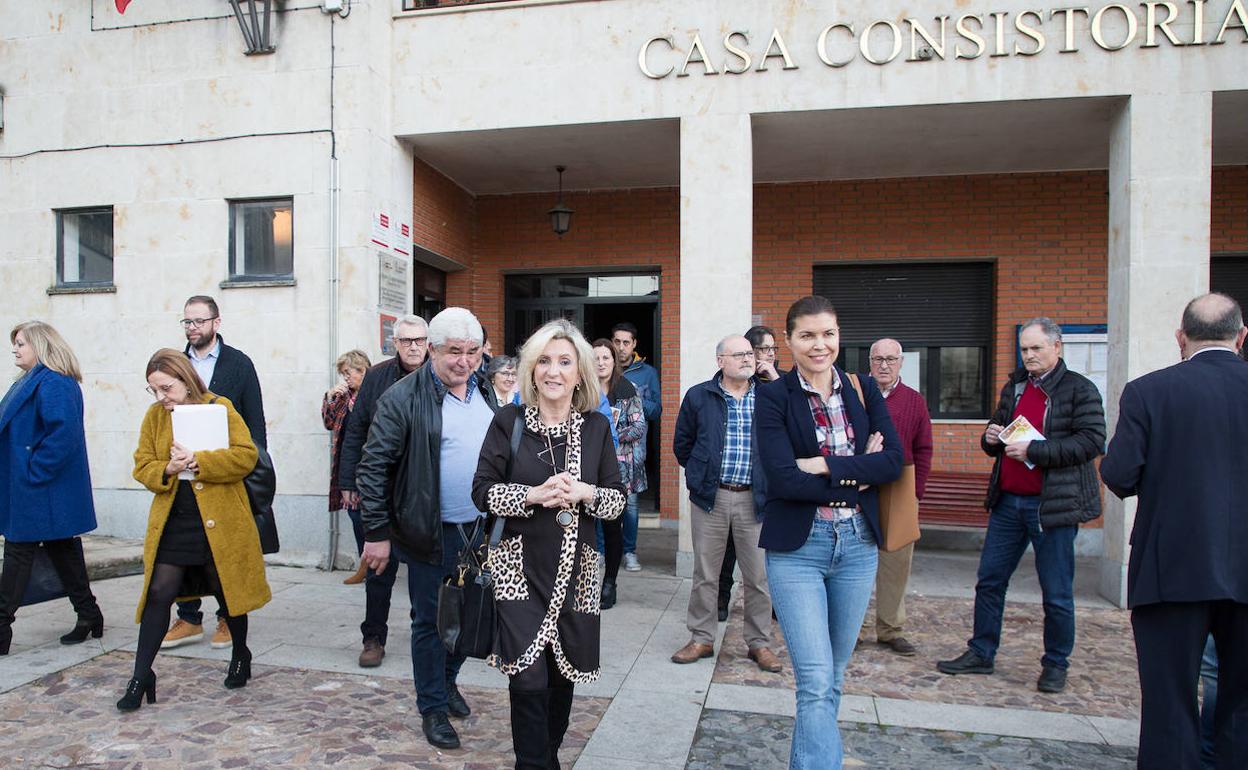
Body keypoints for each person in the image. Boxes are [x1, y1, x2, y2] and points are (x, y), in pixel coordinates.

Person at [1100, 293, 1248, 770]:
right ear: (1241, 337)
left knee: (1168, 707)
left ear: (1181, 338)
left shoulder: (1149, 391)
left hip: (1171, 569)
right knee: (1242, 708)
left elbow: (1119, 475)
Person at [472, 319, 626, 770]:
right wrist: (533, 495)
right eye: (544, 361)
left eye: (564, 362)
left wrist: (586, 493)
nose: (553, 371)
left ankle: (547, 758)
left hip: (576, 571)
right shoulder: (509, 421)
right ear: (530, 370)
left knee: (563, 677)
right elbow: (481, 492)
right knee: (527, 680)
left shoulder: (596, 427)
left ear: (580, 373)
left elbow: (616, 502)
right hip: (516, 568)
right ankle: (532, 763)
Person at [756, 295, 903, 770]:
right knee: (816, 679)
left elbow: (892, 461)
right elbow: (781, 479)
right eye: (808, 335)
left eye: (828, 334)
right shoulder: (774, 397)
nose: (820, 345)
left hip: (858, 546)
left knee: (834, 674)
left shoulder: (864, 390)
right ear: (790, 340)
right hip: (800, 550)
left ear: (839, 335)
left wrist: (822, 465)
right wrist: (855, 474)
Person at [937, 318, 1105, 695]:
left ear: (1056, 347)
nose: (1028, 355)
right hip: (1008, 503)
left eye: (1036, 348)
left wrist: (1037, 450)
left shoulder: (1080, 389)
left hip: (1052, 506)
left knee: (1056, 591)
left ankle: (1055, 663)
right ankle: (981, 652)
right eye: (1025, 349)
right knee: (990, 581)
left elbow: (1092, 442)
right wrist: (991, 437)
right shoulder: (1014, 386)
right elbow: (996, 435)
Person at [355, 308, 498, 750]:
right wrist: (376, 532)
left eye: (473, 352)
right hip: (429, 530)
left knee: (471, 612)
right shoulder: (402, 398)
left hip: (480, 527)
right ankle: (432, 707)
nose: (465, 361)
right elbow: (373, 468)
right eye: (455, 352)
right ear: (432, 350)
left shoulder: (485, 387)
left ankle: (449, 681)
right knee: (431, 623)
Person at [122, 349, 270, 711]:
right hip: (175, 520)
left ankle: (241, 653)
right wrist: (168, 468)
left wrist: (200, 461)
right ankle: (141, 676)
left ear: (185, 380)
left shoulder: (219, 407)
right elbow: (142, 464)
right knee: (159, 593)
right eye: (153, 390)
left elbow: (246, 455)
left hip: (222, 521)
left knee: (226, 590)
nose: (161, 397)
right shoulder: (155, 417)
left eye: (166, 388)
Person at [671, 335, 782, 674]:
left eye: (751, 353)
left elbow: (792, 430)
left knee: (758, 576)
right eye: (739, 354)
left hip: (756, 498)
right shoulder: (699, 396)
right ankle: (702, 637)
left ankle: (759, 643)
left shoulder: (768, 395)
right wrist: (701, 472)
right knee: (706, 572)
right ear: (720, 360)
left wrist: (775, 379)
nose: (748, 359)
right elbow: (682, 444)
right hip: (712, 497)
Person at [164, 295, 267, 652]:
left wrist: (257, 469)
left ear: (216, 322)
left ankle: (227, 616)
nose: (193, 328)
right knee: (183, 546)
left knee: (221, 550)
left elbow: (254, 423)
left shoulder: (239, 364)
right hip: (183, 475)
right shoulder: (175, 366)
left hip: (224, 474)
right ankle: (189, 616)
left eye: (199, 321)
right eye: (187, 322)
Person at [0, 322, 103, 656]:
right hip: (32, 485)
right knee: (63, 549)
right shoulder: (30, 380)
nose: (14, 349)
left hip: (40, 487)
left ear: (40, 346)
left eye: (20, 343)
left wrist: (34, 472)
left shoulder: (55, 382)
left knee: (18, 553)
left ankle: (1, 627)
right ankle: (89, 614)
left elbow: (63, 435)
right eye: (14, 343)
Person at [337, 314, 429, 668]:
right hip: (381, 488)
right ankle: (373, 636)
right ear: (394, 344)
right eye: (406, 341)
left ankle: (423, 626)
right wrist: (349, 482)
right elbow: (355, 431)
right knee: (378, 568)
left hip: (422, 489)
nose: (413, 347)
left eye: (420, 340)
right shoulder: (376, 377)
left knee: (425, 568)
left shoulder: (437, 376)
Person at [863, 338, 933, 656]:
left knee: (896, 562)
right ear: (870, 362)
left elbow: (924, 448)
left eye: (891, 359)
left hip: (901, 481)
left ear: (902, 362)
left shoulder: (914, 401)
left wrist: (915, 493)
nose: (884, 365)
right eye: (878, 359)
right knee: (856, 559)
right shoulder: (858, 395)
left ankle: (891, 629)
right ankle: (852, 628)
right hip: (862, 480)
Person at [717, 324, 784, 620]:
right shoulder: (717, 390)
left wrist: (774, 378)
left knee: (759, 564)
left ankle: (767, 616)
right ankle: (720, 601)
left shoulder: (774, 390)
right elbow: (686, 444)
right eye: (762, 350)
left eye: (773, 350)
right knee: (722, 556)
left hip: (761, 490)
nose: (768, 355)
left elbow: (796, 421)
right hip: (722, 491)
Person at [592, 338, 646, 609]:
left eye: (606, 358)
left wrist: (608, 432)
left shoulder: (627, 388)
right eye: (596, 358)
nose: (601, 363)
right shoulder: (581, 391)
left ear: (614, 362)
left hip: (618, 468)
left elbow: (638, 428)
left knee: (613, 526)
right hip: (588, 468)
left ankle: (610, 582)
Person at [611, 322, 660, 571]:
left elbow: (656, 410)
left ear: (634, 345)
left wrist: (633, 399)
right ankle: (601, 550)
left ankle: (629, 552)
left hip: (633, 451)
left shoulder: (646, 373)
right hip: (605, 449)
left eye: (626, 342)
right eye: (617, 342)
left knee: (629, 504)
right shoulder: (602, 369)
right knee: (600, 500)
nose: (621, 347)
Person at [321, 349, 372, 585]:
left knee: (371, 517)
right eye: (343, 374)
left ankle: (374, 565)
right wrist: (331, 397)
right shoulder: (344, 397)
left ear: (362, 370)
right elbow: (329, 423)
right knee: (355, 514)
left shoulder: (374, 394)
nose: (346, 378)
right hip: (348, 465)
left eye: (348, 373)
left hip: (371, 466)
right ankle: (366, 564)